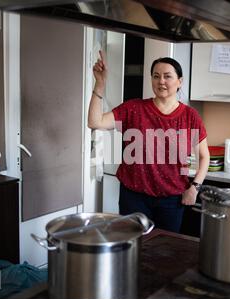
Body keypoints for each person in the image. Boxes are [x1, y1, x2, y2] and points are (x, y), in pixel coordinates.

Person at [88, 50, 209, 233]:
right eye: (156, 76)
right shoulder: (133, 108)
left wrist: (194, 188)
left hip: (172, 199)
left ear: (180, 82)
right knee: (134, 249)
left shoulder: (190, 116)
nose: (161, 81)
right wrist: (100, 85)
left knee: (164, 251)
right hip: (134, 197)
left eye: (167, 76)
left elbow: (204, 156)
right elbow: (94, 122)